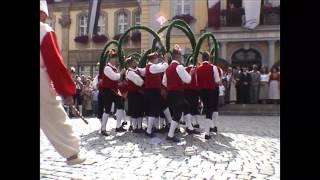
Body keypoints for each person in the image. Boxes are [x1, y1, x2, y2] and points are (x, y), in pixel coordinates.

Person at [40, 0, 85, 165]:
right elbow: (55, 64)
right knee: (54, 115)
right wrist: (66, 91)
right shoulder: (43, 30)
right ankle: (72, 152)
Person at [162, 45, 198, 142]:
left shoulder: (168, 68)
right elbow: (188, 80)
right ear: (177, 56)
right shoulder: (179, 67)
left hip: (171, 93)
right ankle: (170, 135)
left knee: (186, 106)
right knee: (177, 114)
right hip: (177, 93)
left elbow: (164, 82)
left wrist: (174, 82)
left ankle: (190, 128)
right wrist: (191, 73)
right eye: (181, 55)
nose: (182, 57)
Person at [99, 50, 126, 136]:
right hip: (108, 90)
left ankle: (118, 126)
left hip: (114, 90)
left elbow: (117, 79)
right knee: (107, 109)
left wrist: (121, 74)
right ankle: (103, 129)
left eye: (116, 58)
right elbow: (114, 77)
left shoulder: (114, 68)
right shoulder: (107, 68)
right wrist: (121, 73)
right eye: (114, 58)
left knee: (121, 106)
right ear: (110, 59)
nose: (115, 60)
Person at [143, 51, 169, 137]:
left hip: (154, 91)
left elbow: (159, 66)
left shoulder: (151, 66)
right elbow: (163, 68)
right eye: (156, 58)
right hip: (152, 91)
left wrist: (162, 63)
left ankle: (171, 124)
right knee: (153, 111)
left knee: (164, 106)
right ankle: (149, 131)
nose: (157, 59)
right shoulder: (152, 67)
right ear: (153, 59)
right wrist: (166, 60)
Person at [197, 51, 221, 140]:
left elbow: (197, 81)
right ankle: (207, 133)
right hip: (211, 91)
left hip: (201, 92)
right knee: (210, 111)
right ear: (209, 58)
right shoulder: (213, 67)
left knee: (207, 109)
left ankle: (210, 129)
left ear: (202, 59)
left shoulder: (198, 68)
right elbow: (217, 80)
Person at [125, 57, 145, 133]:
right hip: (133, 94)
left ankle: (139, 127)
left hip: (139, 94)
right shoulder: (130, 72)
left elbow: (145, 71)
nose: (136, 62)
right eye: (134, 61)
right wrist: (144, 80)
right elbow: (140, 82)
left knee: (140, 111)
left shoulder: (137, 70)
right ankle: (135, 127)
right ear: (130, 64)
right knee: (134, 111)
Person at [184, 58, 200, 129]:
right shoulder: (197, 69)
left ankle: (189, 124)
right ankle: (191, 124)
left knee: (188, 108)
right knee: (194, 107)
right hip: (194, 91)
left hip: (186, 91)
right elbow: (198, 81)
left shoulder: (185, 69)